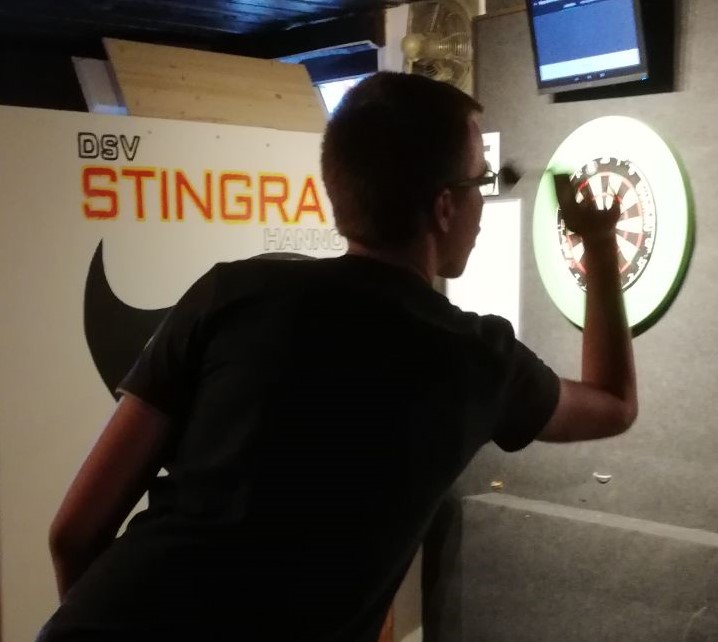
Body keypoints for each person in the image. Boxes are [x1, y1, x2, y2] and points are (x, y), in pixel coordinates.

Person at [39, 72, 636, 642]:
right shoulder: (475, 359)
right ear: (444, 207)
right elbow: (613, 403)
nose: (482, 201)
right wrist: (600, 242)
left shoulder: (230, 295)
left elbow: (73, 534)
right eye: (480, 182)